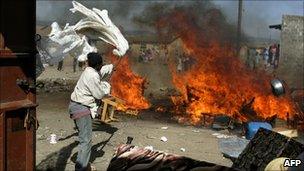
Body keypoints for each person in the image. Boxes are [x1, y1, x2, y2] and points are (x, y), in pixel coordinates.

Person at [68, 52, 112, 171]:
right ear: (98, 65)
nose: (102, 66)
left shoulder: (89, 71)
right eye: (101, 64)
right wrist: (106, 86)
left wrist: (112, 67)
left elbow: (101, 72)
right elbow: (99, 94)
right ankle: (81, 168)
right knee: (86, 141)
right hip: (81, 109)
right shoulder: (92, 76)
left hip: (76, 106)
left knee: (84, 138)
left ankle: (85, 166)